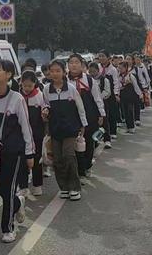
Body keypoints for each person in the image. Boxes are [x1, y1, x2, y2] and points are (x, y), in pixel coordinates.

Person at [0, 60, 35, 243]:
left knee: (7, 188)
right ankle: (18, 203)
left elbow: (26, 127)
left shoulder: (16, 98)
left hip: (12, 152)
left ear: (9, 75)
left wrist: (30, 154)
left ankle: (8, 228)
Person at [42, 59, 88, 201]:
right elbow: (45, 106)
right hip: (55, 130)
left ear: (63, 72)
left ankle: (74, 187)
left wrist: (83, 125)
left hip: (70, 129)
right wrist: (44, 111)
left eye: (58, 71)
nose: (55, 74)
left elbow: (80, 108)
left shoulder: (71, 89)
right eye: (52, 71)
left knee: (69, 156)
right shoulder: (46, 89)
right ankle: (64, 187)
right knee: (57, 159)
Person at [68, 54, 105, 179]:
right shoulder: (64, 81)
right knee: (74, 144)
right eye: (71, 62)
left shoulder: (89, 80)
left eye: (76, 62)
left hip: (90, 116)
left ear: (82, 64)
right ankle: (79, 171)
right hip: (72, 116)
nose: (74, 65)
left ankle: (87, 166)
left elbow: (97, 98)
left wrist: (101, 114)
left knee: (89, 143)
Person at [19, 70, 47, 196]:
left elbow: (45, 112)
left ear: (35, 83)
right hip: (21, 133)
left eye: (30, 86)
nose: (27, 88)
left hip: (37, 133)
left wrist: (44, 115)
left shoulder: (40, 96)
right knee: (22, 159)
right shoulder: (18, 96)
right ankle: (23, 186)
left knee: (37, 159)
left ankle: (37, 185)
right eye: (25, 85)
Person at [88, 62, 112, 149]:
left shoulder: (104, 80)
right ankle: (96, 140)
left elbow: (107, 92)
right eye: (90, 72)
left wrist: (99, 97)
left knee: (105, 122)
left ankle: (107, 140)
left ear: (98, 71)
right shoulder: (88, 80)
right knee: (95, 124)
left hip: (102, 103)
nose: (92, 74)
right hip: (92, 105)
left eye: (93, 71)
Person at [98, 50, 120, 139]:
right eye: (100, 56)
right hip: (99, 94)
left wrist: (116, 94)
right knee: (102, 115)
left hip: (110, 95)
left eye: (103, 56)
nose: (101, 58)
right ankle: (102, 134)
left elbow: (116, 82)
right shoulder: (98, 67)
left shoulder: (113, 69)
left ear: (108, 57)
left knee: (111, 113)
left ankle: (113, 131)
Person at [118, 61, 142, 134]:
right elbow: (117, 86)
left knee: (130, 111)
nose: (120, 70)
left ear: (125, 68)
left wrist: (140, 94)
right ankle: (128, 127)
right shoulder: (118, 76)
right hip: (123, 97)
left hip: (130, 97)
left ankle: (132, 127)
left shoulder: (130, 76)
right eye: (119, 68)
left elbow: (136, 86)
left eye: (121, 68)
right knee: (125, 112)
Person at [126, 54, 143, 126]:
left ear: (133, 60)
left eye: (129, 59)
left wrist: (143, 89)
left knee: (136, 104)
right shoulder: (123, 68)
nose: (128, 60)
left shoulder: (136, 69)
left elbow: (140, 79)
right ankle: (130, 120)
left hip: (135, 89)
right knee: (129, 106)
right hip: (127, 90)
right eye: (126, 59)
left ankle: (137, 119)